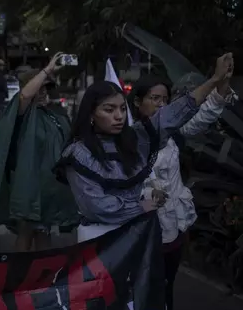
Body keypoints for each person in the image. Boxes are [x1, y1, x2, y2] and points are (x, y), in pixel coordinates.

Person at [56, 56, 233, 243]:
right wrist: (141, 206)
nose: (118, 116)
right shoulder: (79, 154)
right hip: (100, 244)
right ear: (91, 114)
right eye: (109, 109)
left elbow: (174, 114)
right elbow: (97, 206)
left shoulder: (136, 138)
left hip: (138, 237)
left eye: (122, 109)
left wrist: (215, 80)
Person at [129, 54, 233, 310]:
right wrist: (148, 197)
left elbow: (206, 114)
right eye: (154, 98)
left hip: (173, 232)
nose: (161, 105)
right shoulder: (130, 140)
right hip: (141, 234)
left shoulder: (175, 132)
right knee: (141, 295)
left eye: (165, 99)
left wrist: (222, 81)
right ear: (138, 103)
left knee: (165, 292)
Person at [0, 53, 79, 251]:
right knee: (26, 232)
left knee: (44, 233)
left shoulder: (52, 115)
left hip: (48, 189)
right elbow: (24, 96)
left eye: (45, 89)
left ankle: (42, 276)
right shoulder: (22, 113)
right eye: (38, 89)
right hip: (28, 187)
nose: (42, 93)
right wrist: (47, 70)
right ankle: (19, 276)